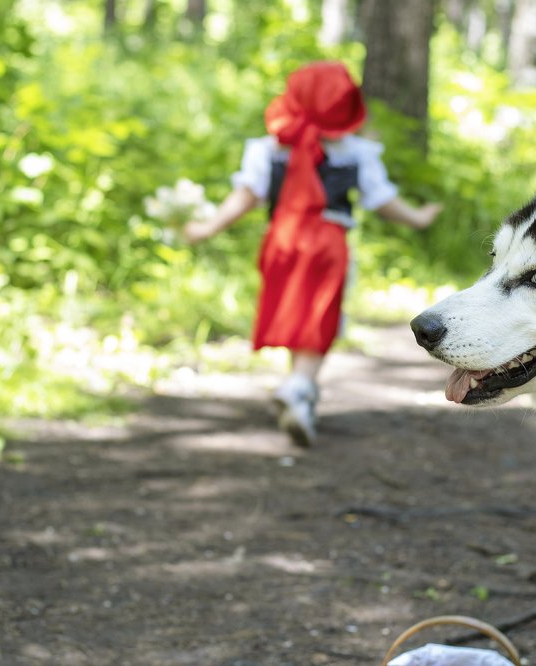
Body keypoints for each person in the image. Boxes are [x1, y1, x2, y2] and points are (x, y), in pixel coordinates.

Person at [183, 60, 441, 447]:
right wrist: (418, 218)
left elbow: (246, 195)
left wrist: (206, 227)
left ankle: (299, 390)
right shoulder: (356, 152)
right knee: (320, 318)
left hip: (282, 240)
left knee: (295, 313)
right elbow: (382, 199)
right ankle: (300, 387)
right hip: (327, 242)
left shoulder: (269, 147)